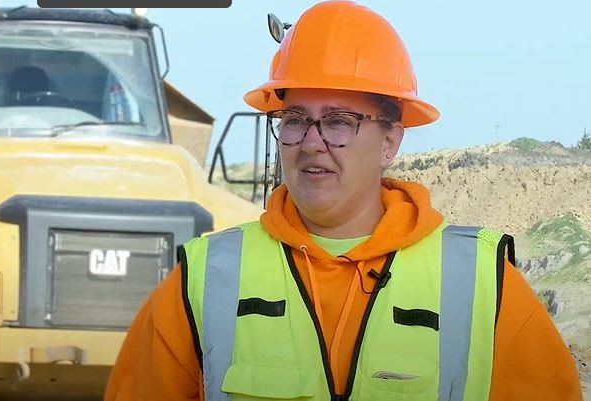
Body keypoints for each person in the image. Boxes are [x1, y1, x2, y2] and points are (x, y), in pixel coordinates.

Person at [104, 1, 583, 400]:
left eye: (339, 121)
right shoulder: (203, 282)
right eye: (295, 120)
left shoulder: (483, 286)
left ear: (390, 141)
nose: (312, 142)